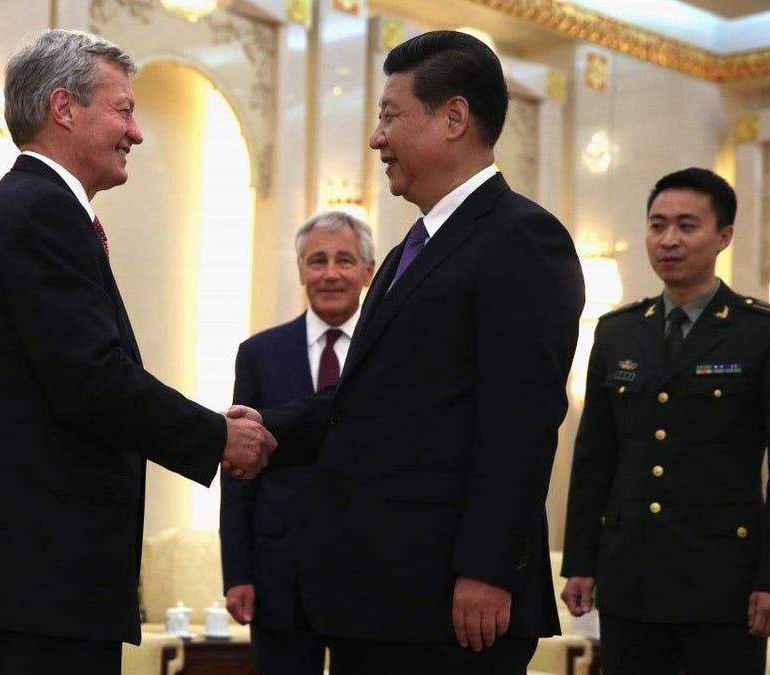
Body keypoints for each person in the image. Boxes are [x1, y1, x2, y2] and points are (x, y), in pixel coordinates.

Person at [0, 29, 274, 675]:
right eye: (123, 109)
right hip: (38, 573)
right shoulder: (41, 213)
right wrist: (214, 435)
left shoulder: (36, 207)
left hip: (37, 575)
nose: (135, 131)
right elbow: (90, 380)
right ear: (64, 107)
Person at [246, 30, 585, 673]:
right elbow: (370, 403)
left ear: (453, 117)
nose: (377, 137)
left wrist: (486, 570)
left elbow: (519, 422)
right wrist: (264, 430)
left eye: (390, 114)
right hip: (379, 597)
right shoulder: (411, 249)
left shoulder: (522, 239)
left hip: (452, 605)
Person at [560, 167, 770, 674]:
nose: (669, 240)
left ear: (723, 236)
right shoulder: (618, 332)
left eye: (686, 225)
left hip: (724, 584)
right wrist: (581, 563)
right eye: (657, 226)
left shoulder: (767, 334)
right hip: (630, 579)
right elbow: (594, 460)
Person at [220, 211, 376, 675]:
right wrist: (238, 573)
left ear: (368, 271)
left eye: (345, 260)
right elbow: (239, 467)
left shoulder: (387, 356)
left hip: (369, 573)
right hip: (278, 576)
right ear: (301, 270)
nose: (330, 274)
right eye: (318, 261)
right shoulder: (259, 354)